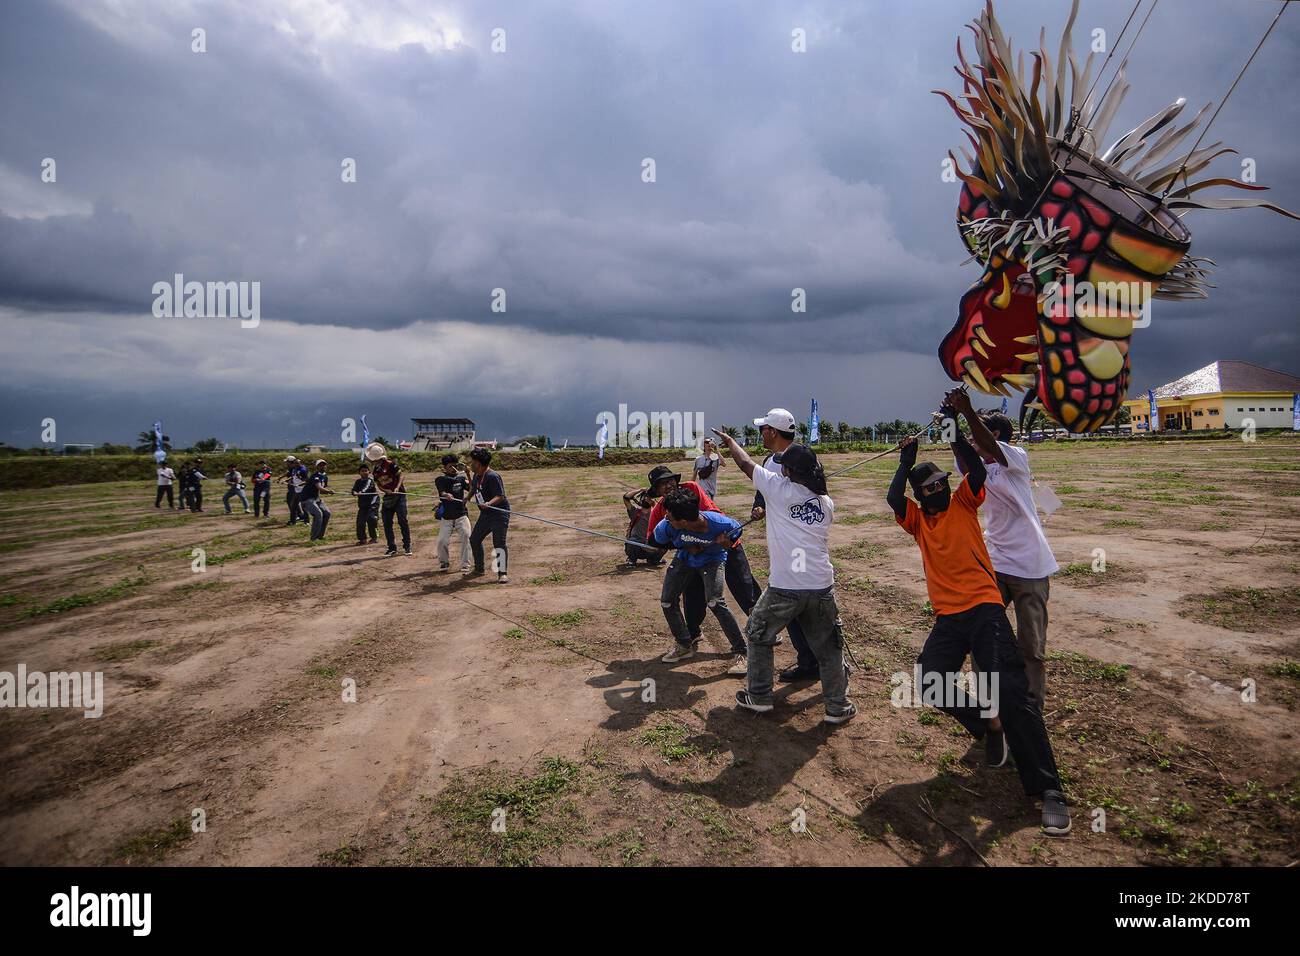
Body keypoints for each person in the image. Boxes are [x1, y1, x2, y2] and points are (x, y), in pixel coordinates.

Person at [886, 409, 1070, 836]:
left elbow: (974, 469)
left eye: (939, 484)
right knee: (929, 681)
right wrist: (903, 462)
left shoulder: (963, 503)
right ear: (920, 494)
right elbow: (895, 500)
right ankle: (988, 725)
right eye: (927, 488)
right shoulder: (917, 522)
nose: (936, 490)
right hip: (949, 619)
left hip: (986, 610)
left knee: (1011, 692)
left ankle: (1049, 791)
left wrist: (954, 424)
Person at [713, 430, 855, 725]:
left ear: (788, 471)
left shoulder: (778, 489)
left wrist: (729, 442)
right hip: (820, 585)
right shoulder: (826, 502)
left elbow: (745, 463)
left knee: (757, 634)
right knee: (829, 649)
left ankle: (760, 696)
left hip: (786, 586)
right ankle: (837, 708)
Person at [945, 388, 1058, 704]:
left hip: (1031, 567)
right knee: (983, 635)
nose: (971, 440)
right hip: (995, 563)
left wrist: (967, 411)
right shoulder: (980, 470)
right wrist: (949, 417)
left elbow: (987, 445)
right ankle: (990, 705)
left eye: (976, 433)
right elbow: (960, 451)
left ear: (995, 435)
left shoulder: (1016, 458)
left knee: (1031, 644)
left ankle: (1031, 705)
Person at [644, 464, 756, 674]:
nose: (667, 487)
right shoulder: (666, 522)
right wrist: (683, 545)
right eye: (661, 485)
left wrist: (726, 541)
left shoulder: (713, 515)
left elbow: (734, 532)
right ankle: (685, 643)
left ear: (684, 521)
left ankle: (742, 651)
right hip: (685, 558)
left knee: (716, 601)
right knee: (668, 601)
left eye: (669, 481)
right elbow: (655, 540)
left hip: (712, 559)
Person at [749, 407, 820, 683]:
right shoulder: (769, 461)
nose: (760, 434)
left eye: (762, 429)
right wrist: (759, 506)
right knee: (800, 606)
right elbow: (762, 492)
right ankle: (812, 659)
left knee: (795, 603)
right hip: (782, 547)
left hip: (798, 547)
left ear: (772, 432)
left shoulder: (803, 459)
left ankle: (813, 662)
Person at [466, 448, 510, 583]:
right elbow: (474, 488)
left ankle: (502, 573)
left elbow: (500, 496)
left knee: (499, 543)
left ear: (479, 463)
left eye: (473, 462)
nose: (471, 464)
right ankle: (479, 568)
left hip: (499, 514)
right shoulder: (477, 475)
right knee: (474, 539)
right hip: (485, 515)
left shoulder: (492, 476)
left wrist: (489, 503)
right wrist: (466, 498)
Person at [367, 443, 411, 556]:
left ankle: (407, 545)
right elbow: (378, 484)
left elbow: (401, 476)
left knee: (402, 520)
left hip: (399, 495)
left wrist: (397, 487)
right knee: (386, 522)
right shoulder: (375, 470)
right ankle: (391, 547)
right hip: (388, 497)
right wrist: (385, 491)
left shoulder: (391, 464)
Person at [435, 455, 472, 571]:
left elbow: (472, 488)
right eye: (450, 466)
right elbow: (442, 492)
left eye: (455, 466)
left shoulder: (460, 479)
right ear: (445, 467)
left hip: (461, 514)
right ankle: (444, 562)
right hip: (447, 516)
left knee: (466, 536)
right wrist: (446, 495)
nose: (453, 468)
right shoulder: (440, 479)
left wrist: (468, 474)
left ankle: (465, 564)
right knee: (442, 541)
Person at [621, 488, 661, 566]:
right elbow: (626, 497)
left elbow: (661, 510)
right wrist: (640, 490)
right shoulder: (635, 512)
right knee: (632, 541)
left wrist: (653, 504)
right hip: (636, 546)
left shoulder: (655, 514)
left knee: (663, 544)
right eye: (644, 497)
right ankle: (632, 560)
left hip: (649, 547)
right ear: (640, 500)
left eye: (649, 497)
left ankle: (653, 560)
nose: (646, 499)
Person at [299, 459, 333, 541]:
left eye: (324, 464)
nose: (323, 466)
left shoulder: (325, 476)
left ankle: (320, 536)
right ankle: (314, 538)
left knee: (327, 513)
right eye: (320, 465)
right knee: (318, 514)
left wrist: (328, 492)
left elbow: (321, 491)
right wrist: (328, 491)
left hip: (316, 498)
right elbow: (319, 487)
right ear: (317, 467)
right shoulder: (315, 476)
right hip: (307, 499)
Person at [351, 464, 379, 545]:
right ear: (359, 472)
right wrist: (354, 492)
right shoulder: (358, 481)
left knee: (372, 519)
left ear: (369, 472)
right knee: (360, 522)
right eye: (362, 471)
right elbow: (353, 490)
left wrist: (361, 492)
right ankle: (362, 539)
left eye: (366, 471)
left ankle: (374, 537)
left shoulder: (370, 481)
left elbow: (366, 488)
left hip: (372, 503)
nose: (364, 472)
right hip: (363, 505)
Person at [279, 456, 307, 525]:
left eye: (287, 462)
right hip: (295, 489)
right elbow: (293, 476)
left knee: (300, 505)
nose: (286, 463)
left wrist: (296, 483)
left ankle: (304, 519)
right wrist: (286, 480)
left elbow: (304, 480)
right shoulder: (293, 468)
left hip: (299, 489)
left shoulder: (300, 469)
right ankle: (295, 519)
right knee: (293, 504)